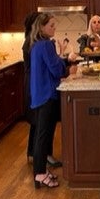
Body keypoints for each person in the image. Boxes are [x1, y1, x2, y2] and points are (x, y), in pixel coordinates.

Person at [29, 13, 77, 188]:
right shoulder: (47, 45)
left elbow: (51, 65)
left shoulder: (36, 46)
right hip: (47, 94)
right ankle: (39, 174)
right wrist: (68, 70)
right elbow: (56, 69)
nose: (54, 28)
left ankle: (40, 171)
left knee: (43, 135)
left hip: (39, 94)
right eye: (51, 25)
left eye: (54, 25)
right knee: (44, 136)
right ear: (41, 28)